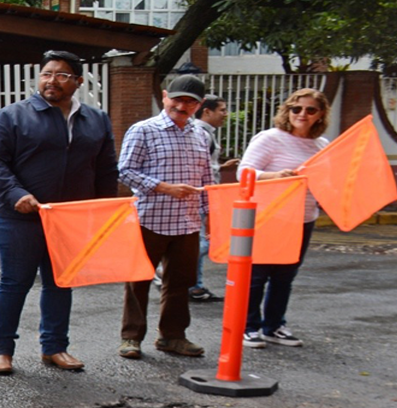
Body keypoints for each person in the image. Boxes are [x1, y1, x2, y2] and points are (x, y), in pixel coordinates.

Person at [0, 50, 119, 375]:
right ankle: (1, 350)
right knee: (15, 283)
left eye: (61, 75)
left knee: (60, 283)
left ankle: (55, 347)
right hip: (20, 217)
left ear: (78, 82)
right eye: (46, 73)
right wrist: (17, 194)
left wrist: (100, 211)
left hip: (70, 218)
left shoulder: (96, 119)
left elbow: (106, 169)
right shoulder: (12, 116)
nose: (51, 80)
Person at [117, 74, 215, 360]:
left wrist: (210, 214)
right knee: (138, 281)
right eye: (177, 98)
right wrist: (164, 188)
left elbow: (206, 177)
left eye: (190, 101)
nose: (182, 105)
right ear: (164, 96)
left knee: (180, 283)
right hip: (149, 219)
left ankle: (172, 336)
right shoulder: (144, 130)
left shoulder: (200, 134)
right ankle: (131, 338)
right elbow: (124, 171)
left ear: (199, 105)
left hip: (187, 222)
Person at [237, 88, 331, 349]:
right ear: (287, 110)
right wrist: (275, 176)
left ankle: (274, 325)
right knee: (257, 275)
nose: (302, 114)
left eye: (310, 110)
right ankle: (249, 327)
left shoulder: (321, 145)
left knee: (285, 276)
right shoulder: (270, 139)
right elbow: (243, 173)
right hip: (270, 216)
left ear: (320, 114)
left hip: (303, 218)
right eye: (296, 108)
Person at [187, 94, 240, 301]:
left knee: (202, 239)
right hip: (202, 195)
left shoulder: (207, 133)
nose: (225, 114)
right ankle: (167, 271)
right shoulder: (201, 133)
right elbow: (199, 166)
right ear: (206, 111)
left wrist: (221, 167)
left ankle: (195, 286)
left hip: (206, 194)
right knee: (204, 241)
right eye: (222, 110)